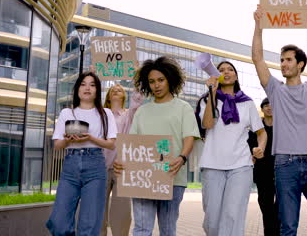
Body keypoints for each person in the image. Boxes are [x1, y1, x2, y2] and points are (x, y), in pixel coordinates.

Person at [251, 4, 307, 236]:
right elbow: (258, 58)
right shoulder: (275, 90)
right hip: (285, 165)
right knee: (288, 226)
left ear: (300, 64)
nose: (283, 64)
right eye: (281, 60)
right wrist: (258, 26)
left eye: (288, 60)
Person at [114, 56, 200, 236]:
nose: (156, 85)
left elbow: (189, 138)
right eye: (152, 81)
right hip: (142, 179)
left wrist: (182, 157)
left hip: (173, 178)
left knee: (168, 230)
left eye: (161, 80)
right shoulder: (142, 112)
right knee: (141, 229)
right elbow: (131, 145)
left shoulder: (183, 107)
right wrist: (121, 161)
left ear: (170, 79)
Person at [198, 60, 267, 236]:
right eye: (221, 70)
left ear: (236, 76)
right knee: (212, 220)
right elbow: (207, 124)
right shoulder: (206, 100)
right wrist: (212, 92)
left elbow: (261, 132)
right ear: (216, 75)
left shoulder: (248, 103)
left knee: (233, 216)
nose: (226, 72)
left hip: (241, 165)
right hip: (212, 165)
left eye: (230, 70)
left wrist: (260, 147)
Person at [46, 71, 117, 235]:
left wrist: (90, 138)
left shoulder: (105, 113)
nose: (87, 88)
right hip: (70, 166)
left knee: (90, 224)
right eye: (83, 84)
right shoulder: (67, 113)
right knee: (59, 222)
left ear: (97, 91)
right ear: (77, 89)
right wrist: (68, 140)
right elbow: (57, 145)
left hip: (95, 165)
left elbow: (111, 145)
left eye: (92, 85)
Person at [101, 84, 144, 236]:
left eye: (119, 89)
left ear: (124, 96)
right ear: (108, 96)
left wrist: (138, 80)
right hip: (101, 168)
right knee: (99, 213)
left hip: (122, 169)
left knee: (122, 214)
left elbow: (137, 102)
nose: (116, 90)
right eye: (112, 90)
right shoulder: (101, 115)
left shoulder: (128, 115)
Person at [247, 97, 280, 236]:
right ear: (262, 109)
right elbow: (249, 148)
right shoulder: (256, 129)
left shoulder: (282, 127)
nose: (269, 107)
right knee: (266, 207)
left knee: (281, 208)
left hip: (281, 171)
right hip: (262, 173)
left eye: (271, 104)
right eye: (265, 105)